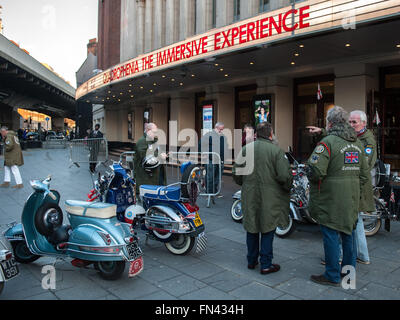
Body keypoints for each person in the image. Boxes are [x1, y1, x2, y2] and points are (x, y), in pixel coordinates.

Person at [306, 106, 369, 286]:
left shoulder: (327, 142)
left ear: (330, 122)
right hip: (351, 198)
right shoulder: (357, 143)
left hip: (331, 199)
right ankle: (349, 274)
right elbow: (365, 175)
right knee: (348, 234)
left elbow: (315, 171)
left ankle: (332, 274)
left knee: (331, 235)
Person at [232, 122, 293, 274]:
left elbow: (236, 174)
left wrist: (244, 183)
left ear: (256, 135)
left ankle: (251, 261)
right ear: (271, 134)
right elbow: (285, 176)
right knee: (268, 227)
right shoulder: (277, 152)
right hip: (270, 196)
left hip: (250, 194)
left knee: (251, 227)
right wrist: (286, 187)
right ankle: (266, 264)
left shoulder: (246, 149)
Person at [133, 123, 167, 193]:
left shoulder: (154, 141)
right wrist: (160, 156)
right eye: (154, 132)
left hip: (157, 174)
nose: (155, 134)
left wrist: (162, 154)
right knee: (148, 196)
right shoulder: (142, 141)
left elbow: (157, 152)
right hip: (146, 177)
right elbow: (146, 157)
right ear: (148, 130)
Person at [199, 122, 228, 197]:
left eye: (222, 129)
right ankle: (209, 193)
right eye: (220, 129)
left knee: (218, 177)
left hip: (220, 160)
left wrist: (225, 156)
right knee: (210, 177)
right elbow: (200, 144)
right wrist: (204, 153)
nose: (221, 131)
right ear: (216, 128)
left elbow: (225, 146)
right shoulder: (209, 135)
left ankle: (215, 191)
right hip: (211, 159)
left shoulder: (223, 136)